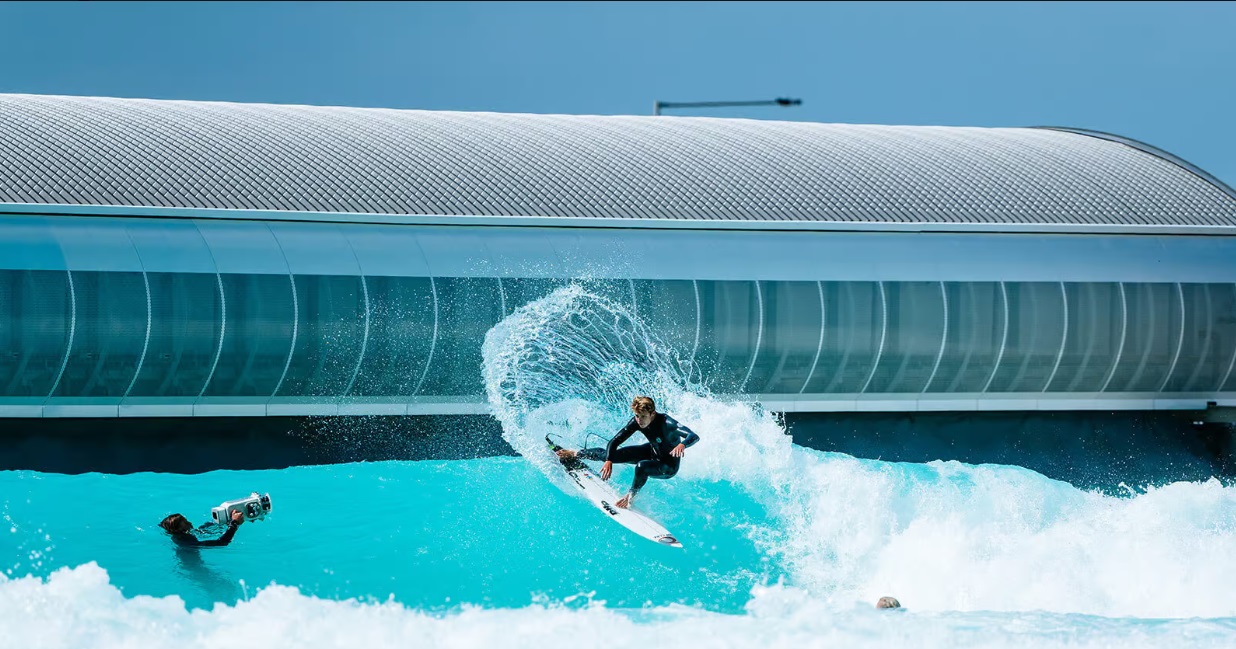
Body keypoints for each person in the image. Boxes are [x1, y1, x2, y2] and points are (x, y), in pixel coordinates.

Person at [556, 396, 700, 509]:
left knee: (642, 467)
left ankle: (630, 496)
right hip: (652, 451)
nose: (639, 420)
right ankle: (576, 453)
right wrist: (609, 460)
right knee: (610, 454)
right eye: (637, 416)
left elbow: (693, 436)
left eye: (643, 416)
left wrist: (682, 444)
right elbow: (614, 441)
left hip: (668, 466)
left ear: (652, 413)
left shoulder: (667, 423)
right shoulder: (637, 421)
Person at [159, 510, 245, 548]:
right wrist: (234, 524)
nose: (190, 523)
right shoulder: (187, 542)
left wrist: (224, 520)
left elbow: (203, 530)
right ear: (178, 530)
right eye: (185, 523)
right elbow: (222, 542)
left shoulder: (181, 535)